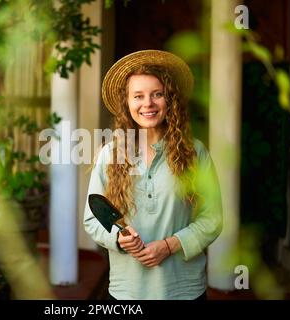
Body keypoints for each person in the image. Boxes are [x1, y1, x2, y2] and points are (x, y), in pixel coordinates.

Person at [83, 50, 223, 300]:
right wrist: (118, 239)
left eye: (157, 94)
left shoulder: (195, 152)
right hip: (127, 292)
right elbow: (93, 219)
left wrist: (171, 245)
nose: (147, 103)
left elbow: (212, 218)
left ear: (169, 100)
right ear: (127, 102)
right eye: (138, 96)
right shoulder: (111, 154)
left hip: (184, 290)